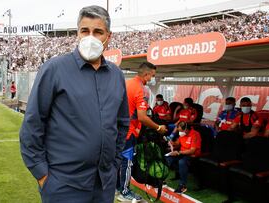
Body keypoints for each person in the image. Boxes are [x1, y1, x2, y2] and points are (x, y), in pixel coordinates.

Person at [19, 6, 129, 203]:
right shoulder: (55, 69)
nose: (90, 36)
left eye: (98, 32)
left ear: (108, 36)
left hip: (104, 184)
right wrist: (43, 175)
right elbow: (33, 124)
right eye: (85, 31)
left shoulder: (116, 75)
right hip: (63, 185)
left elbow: (122, 123)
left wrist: (114, 164)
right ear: (77, 33)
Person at [117, 62, 167, 202]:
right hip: (128, 131)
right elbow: (142, 117)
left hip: (118, 129)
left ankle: (116, 187)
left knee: (117, 160)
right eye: (152, 75)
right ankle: (124, 192)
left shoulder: (127, 83)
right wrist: (158, 128)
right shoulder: (140, 89)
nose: (152, 78)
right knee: (127, 163)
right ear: (147, 74)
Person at [165, 121, 201, 194]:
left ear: (186, 130)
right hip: (182, 153)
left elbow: (192, 150)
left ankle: (182, 185)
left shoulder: (195, 134)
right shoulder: (182, 134)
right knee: (167, 158)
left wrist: (178, 152)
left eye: (181, 131)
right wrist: (172, 143)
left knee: (182, 162)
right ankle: (161, 179)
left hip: (192, 155)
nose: (180, 133)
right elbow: (178, 144)